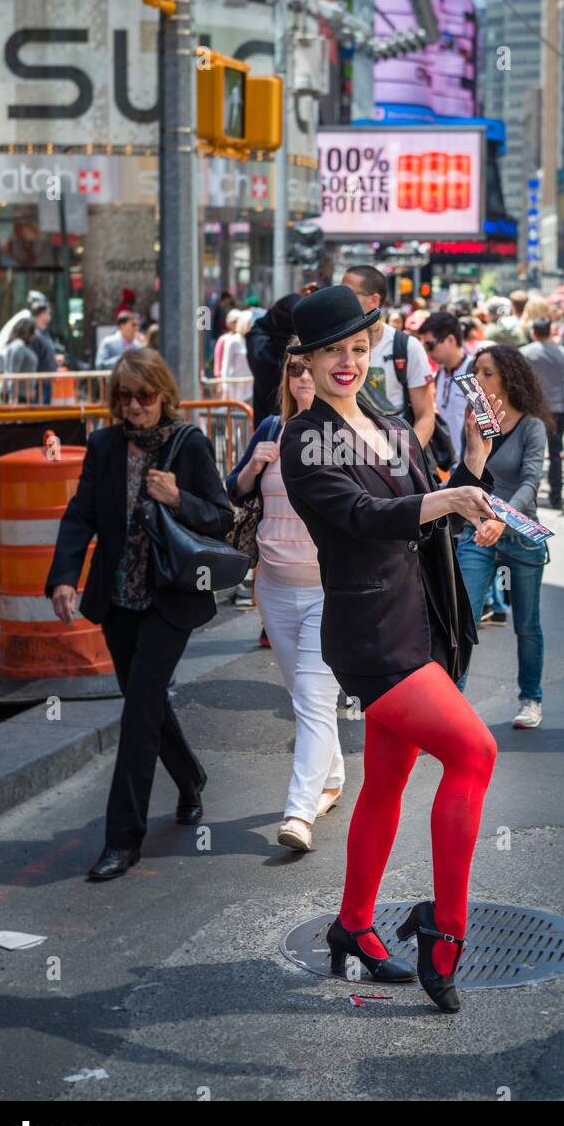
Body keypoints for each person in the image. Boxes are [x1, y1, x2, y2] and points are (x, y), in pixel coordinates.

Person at [280, 285, 501, 1012]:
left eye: (358, 347)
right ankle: (445, 930)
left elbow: (427, 513)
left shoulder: (387, 420)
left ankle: (352, 925)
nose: (348, 361)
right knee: (474, 753)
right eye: (332, 351)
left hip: (421, 621)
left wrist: (471, 475)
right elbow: (366, 516)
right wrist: (443, 500)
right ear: (304, 360)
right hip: (372, 637)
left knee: (386, 781)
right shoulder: (302, 439)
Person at [46, 348, 234, 881]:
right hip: (118, 599)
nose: (134, 407)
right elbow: (80, 513)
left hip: (170, 599)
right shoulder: (104, 446)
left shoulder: (188, 444)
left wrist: (179, 499)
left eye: (144, 396)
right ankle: (191, 776)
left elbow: (220, 519)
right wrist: (63, 575)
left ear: (163, 395)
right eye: (124, 397)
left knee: (138, 711)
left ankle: (122, 839)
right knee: (144, 700)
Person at [227, 348, 344, 852]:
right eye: (293, 369)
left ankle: (298, 813)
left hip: (329, 588)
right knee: (305, 698)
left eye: (308, 369)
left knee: (316, 699)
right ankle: (334, 778)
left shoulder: (346, 432)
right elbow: (233, 492)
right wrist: (254, 466)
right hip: (274, 584)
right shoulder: (272, 427)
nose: (301, 378)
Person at [456, 345, 549, 728]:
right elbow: (469, 477)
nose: (477, 379)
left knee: (526, 624)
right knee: (463, 618)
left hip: (520, 535)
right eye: (475, 371)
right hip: (476, 531)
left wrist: (502, 520)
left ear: (509, 378)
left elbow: (530, 482)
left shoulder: (532, 426)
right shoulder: (475, 421)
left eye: (487, 372)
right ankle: (450, 705)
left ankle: (531, 698)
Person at [341, 265, 435, 449]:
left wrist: (406, 462)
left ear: (374, 300)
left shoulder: (407, 347)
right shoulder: (331, 344)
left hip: (393, 452)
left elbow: (426, 416)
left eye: (348, 293)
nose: (340, 299)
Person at [521, 316, 564, 509]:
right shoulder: (563, 353)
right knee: (556, 454)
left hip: (532, 409)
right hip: (557, 409)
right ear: (550, 331)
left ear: (534, 333)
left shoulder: (525, 353)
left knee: (528, 454)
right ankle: (557, 496)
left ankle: (528, 496)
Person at [416, 311, 471, 463]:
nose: (427, 352)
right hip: (452, 465)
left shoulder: (474, 371)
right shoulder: (441, 373)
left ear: (451, 339)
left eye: (430, 345)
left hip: (472, 466)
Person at [245, 294, 300, 426]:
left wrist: (277, 310)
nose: (304, 377)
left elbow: (258, 327)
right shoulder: (307, 353)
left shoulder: (261, 353)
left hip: (267, 433)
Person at [219, 309, 254, 403]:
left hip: (250, 385)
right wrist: (225, 387)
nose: (251, 325)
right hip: (235, 387)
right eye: (249, 322)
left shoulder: (252, 340)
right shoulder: (232, 341)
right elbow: (226, 365)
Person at [3, 317, 38, 403]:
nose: (36, 334)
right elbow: (13, 373)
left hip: (22, 394)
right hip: (18, 396)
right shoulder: (18, 346)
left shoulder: (20, 345)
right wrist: (13, 396)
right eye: (34, 331)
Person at [29, 299, 57, 402]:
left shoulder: (44, 333)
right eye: (47, 313)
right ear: (40, 314)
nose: (49, 316)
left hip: (47, 381)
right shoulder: (34, 334)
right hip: (39, 383)